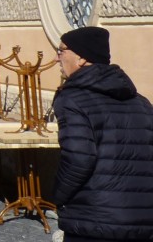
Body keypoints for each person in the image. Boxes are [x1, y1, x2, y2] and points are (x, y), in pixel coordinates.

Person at [52, 26, 153, 240]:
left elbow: (78, 159)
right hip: (142, 223)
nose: (56, 58)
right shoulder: (141, 103)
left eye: (61, 51)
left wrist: (58, 196)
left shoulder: (72, 99)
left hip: (94, 222)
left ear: (81, 58)